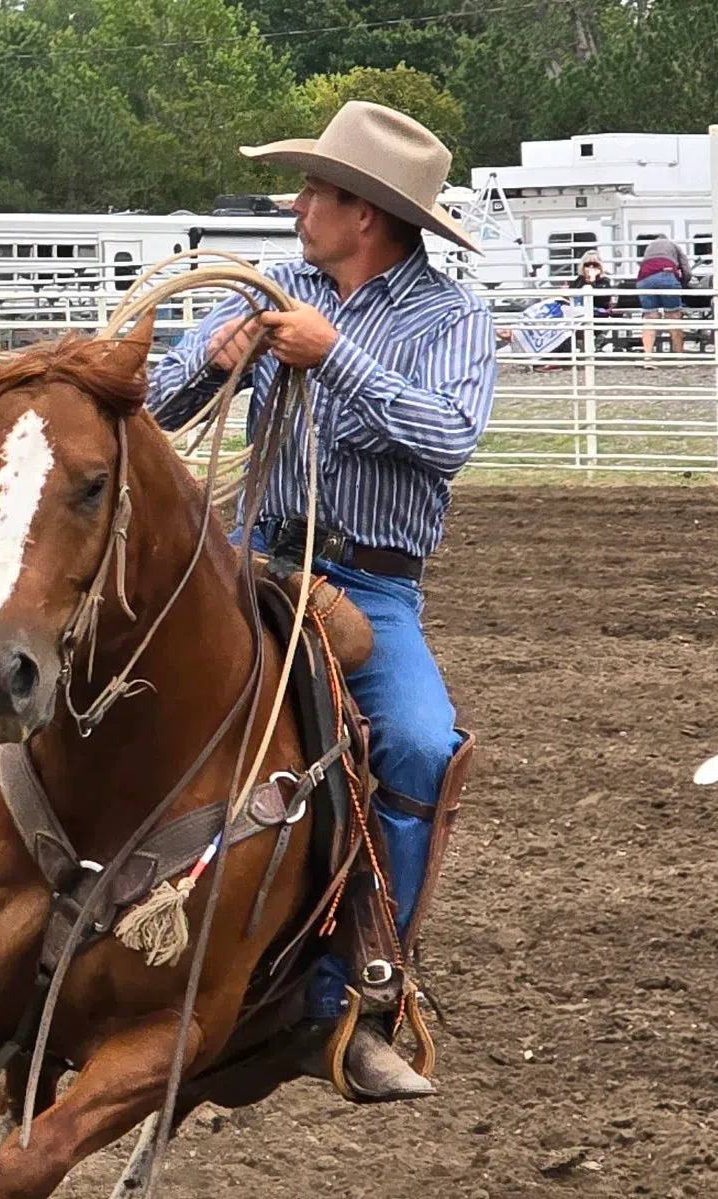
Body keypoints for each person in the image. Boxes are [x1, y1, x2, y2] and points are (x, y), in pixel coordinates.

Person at [148, 101, 496, 1102]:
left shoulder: (450, 318)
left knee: (420, 744)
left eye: (315, 192)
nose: (297, 206)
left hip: (369, 584)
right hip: (248, 554)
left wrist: (330, 353)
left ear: (367, 217)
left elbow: (446, 437)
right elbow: (161, 401)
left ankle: (357, 989)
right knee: (80, 627)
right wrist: (214, 360)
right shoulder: (269, 289)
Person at [632, 235, 691, 358]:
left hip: (644, 279)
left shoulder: (649, 248)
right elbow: (686, 269)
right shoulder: (674, 246)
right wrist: (683, 283)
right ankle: (679, 356)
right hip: (666, 276)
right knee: (673, 315)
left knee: (650, 317)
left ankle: (648, 357)